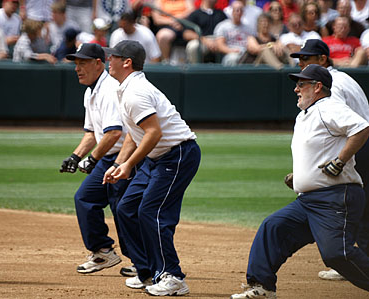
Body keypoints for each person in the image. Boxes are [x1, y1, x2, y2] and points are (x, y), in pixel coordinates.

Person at [230, 64, 369, 299]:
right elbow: (318, 149)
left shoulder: (329, 106)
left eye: (301, 84)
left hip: (335, 197)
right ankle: (262, 287)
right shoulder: (307, 114)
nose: (296, 89)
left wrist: (340, 161)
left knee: (337, 254)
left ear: (317, 87)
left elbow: (362, 128)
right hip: (309, 201)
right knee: (273, 227)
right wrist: (302, 175)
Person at [103, 40, 201, 296]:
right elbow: (134, 134)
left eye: (112, 56)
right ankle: (146, 271)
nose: (108, 60)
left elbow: (153, 133)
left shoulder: (135, 91)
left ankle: (173, 276)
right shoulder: (127, 88)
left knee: (151, 212)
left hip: (177, 154)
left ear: (127, 62)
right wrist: (120, 164)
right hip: (158, 158)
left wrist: (129, 165)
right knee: (126, 208)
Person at [289, 38, 369, 281]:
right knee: (363, 210)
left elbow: (340, 126)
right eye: (299, 59)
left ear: (323, 59)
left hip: (357, 145)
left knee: (349, 206)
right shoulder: (345, 78)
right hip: (361, 143)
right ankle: (357, 259)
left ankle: (351, 262)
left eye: (306, 58)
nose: (301, 63)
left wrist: (338, 160)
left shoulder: (334, 85)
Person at [60, 43, 133, 276]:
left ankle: (141, 261)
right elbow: (92, 133)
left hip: (125, 157)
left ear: (98, 63)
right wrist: (75, 156)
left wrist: (92, 159)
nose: (77, 68)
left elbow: (114, 133)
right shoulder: (90, 91)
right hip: (107, 156)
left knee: (123, 208)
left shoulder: (109, 89)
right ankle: (103, 252)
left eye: (82, 63)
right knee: (85, 199)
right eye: (76, 64)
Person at [214, 0, 254, 65]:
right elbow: (220, 45)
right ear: (232, 11)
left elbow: (252, 43)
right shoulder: (223, 26)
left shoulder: (249, 28)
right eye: (237, 10)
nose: (239, 12)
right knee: (233, 58)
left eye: (241, 10)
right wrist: (231, 51)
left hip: (246, 54)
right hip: (230, 53)